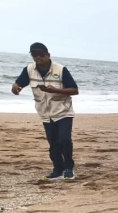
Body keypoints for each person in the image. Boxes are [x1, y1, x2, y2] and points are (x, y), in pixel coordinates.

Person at [10, 42, 79, 180]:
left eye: (41, 54)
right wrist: (15, 88)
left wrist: (55, 90)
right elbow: (19, 83)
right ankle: (58, 169)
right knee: (53, 143)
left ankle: (69, 168)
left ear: (48, 55)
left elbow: (74, 90)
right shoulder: (29, 69)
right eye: (34, 55)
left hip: (63, 111)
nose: (38, 57)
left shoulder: (61, 69)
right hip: (45, 113)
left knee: (64, 140)